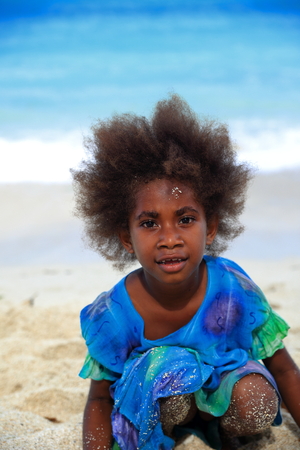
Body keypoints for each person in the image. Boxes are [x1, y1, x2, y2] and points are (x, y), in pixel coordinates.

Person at [72, 95, 300, 450]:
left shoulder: (232, 291)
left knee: (256, 394)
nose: (169, 239)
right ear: (125, 238)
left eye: (186, 219)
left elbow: (284, 369)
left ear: (210, 229)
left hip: (222, 405)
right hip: (159, 409)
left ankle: (220, 432)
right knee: (170, 375)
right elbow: (100, 400)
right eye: (149, 223)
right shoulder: (114, 316)